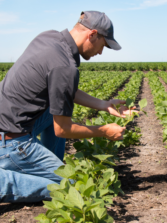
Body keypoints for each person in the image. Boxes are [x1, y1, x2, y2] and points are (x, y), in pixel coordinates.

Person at [0, 11, 133, 203]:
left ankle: (47, 166)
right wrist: (104, 131)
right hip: (12, 142)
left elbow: (62, 89)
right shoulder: (65, 66)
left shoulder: (50, 37)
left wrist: (105, 105)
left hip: (9, 125)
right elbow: (62, 130)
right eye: (103, 45)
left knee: (52, 110)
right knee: (74, 189)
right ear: (92, 34)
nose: (101, 52)